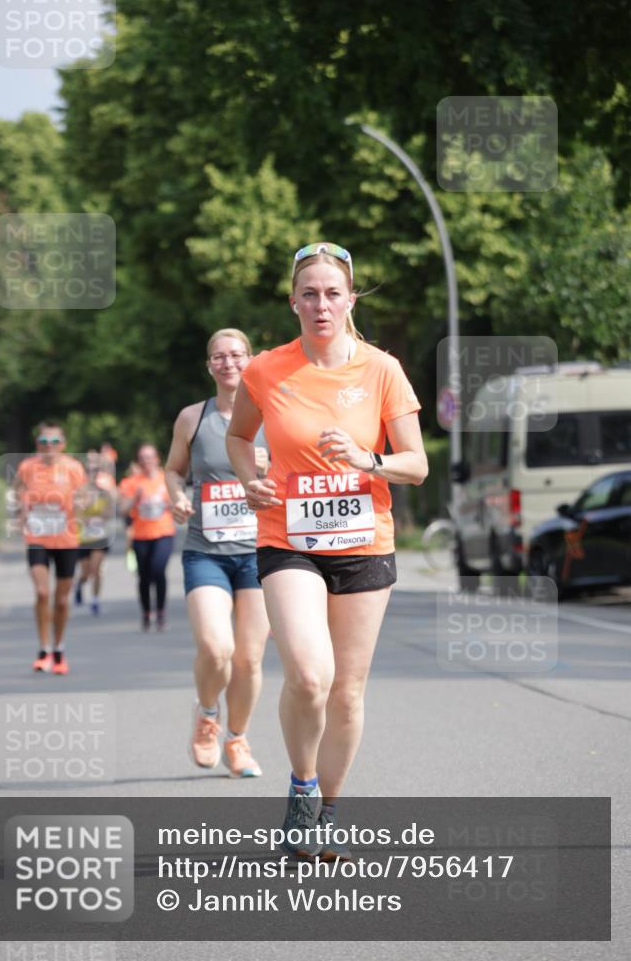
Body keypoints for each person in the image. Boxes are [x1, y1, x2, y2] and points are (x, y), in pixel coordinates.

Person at [227, 242, 428, 857]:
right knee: (310, 676)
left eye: (332, 293)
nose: (321, 304)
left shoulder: (382, 370)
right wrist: (247, 476)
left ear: (350, 300)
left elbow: (416, 465)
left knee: (347, 690)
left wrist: (368, 459)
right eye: (309, 294)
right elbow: (239, 436)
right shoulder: (265, 369)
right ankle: (301, 789)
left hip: (365, 541)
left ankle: (327, 814)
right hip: (288, 538)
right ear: (293, 302)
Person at [165, 328, 271, 778]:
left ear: (250, 360)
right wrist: (176, 495)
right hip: (206, 550)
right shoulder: (193, 417)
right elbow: (174, 470)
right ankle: (208, 715)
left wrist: (271, 472)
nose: (228, 363)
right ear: (209, 366)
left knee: (249, 657)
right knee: (216, 646)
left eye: (236, 355)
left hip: (261, 552)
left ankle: (238, 739)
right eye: (218, 357)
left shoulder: (274, 416)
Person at [14, 421, 87, 675]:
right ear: (37, 444)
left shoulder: (73, 468)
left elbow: (85, 497)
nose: (49, 447)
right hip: (37, 537)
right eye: (44, 442)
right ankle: (43, 649)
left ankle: (59, 649)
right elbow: (18, 492)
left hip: (66, 539)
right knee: (43, 592)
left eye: (54, 442)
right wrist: (22, 509)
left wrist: (81, 502)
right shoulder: (27, 468)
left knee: (63, 599)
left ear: (63, 445)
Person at [118, 445, 175, 630]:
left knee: (158, 570)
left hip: (163, 532)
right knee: (144, 576)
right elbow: (122, 510)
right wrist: (135, 497)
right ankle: (146, 612)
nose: (146, 461)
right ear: (138, 461)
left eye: (150, 457)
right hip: (141, 534)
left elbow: (178, 503)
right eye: (143, 458)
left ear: (157, 459)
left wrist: (172, 502)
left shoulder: (166, 479)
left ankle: (160, 611)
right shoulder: (131, 482)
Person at [74, 452, 116, 615]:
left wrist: (104, 505)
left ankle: (95, 600)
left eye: (95, 471)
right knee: (86, 573)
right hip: (83, 537)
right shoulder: (79, 491)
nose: (93, 474)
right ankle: (79, 585)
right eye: (89, 471)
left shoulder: (104, 492)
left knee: (96, 570)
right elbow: (76, 513)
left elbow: (108, 513)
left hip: (100, 536)